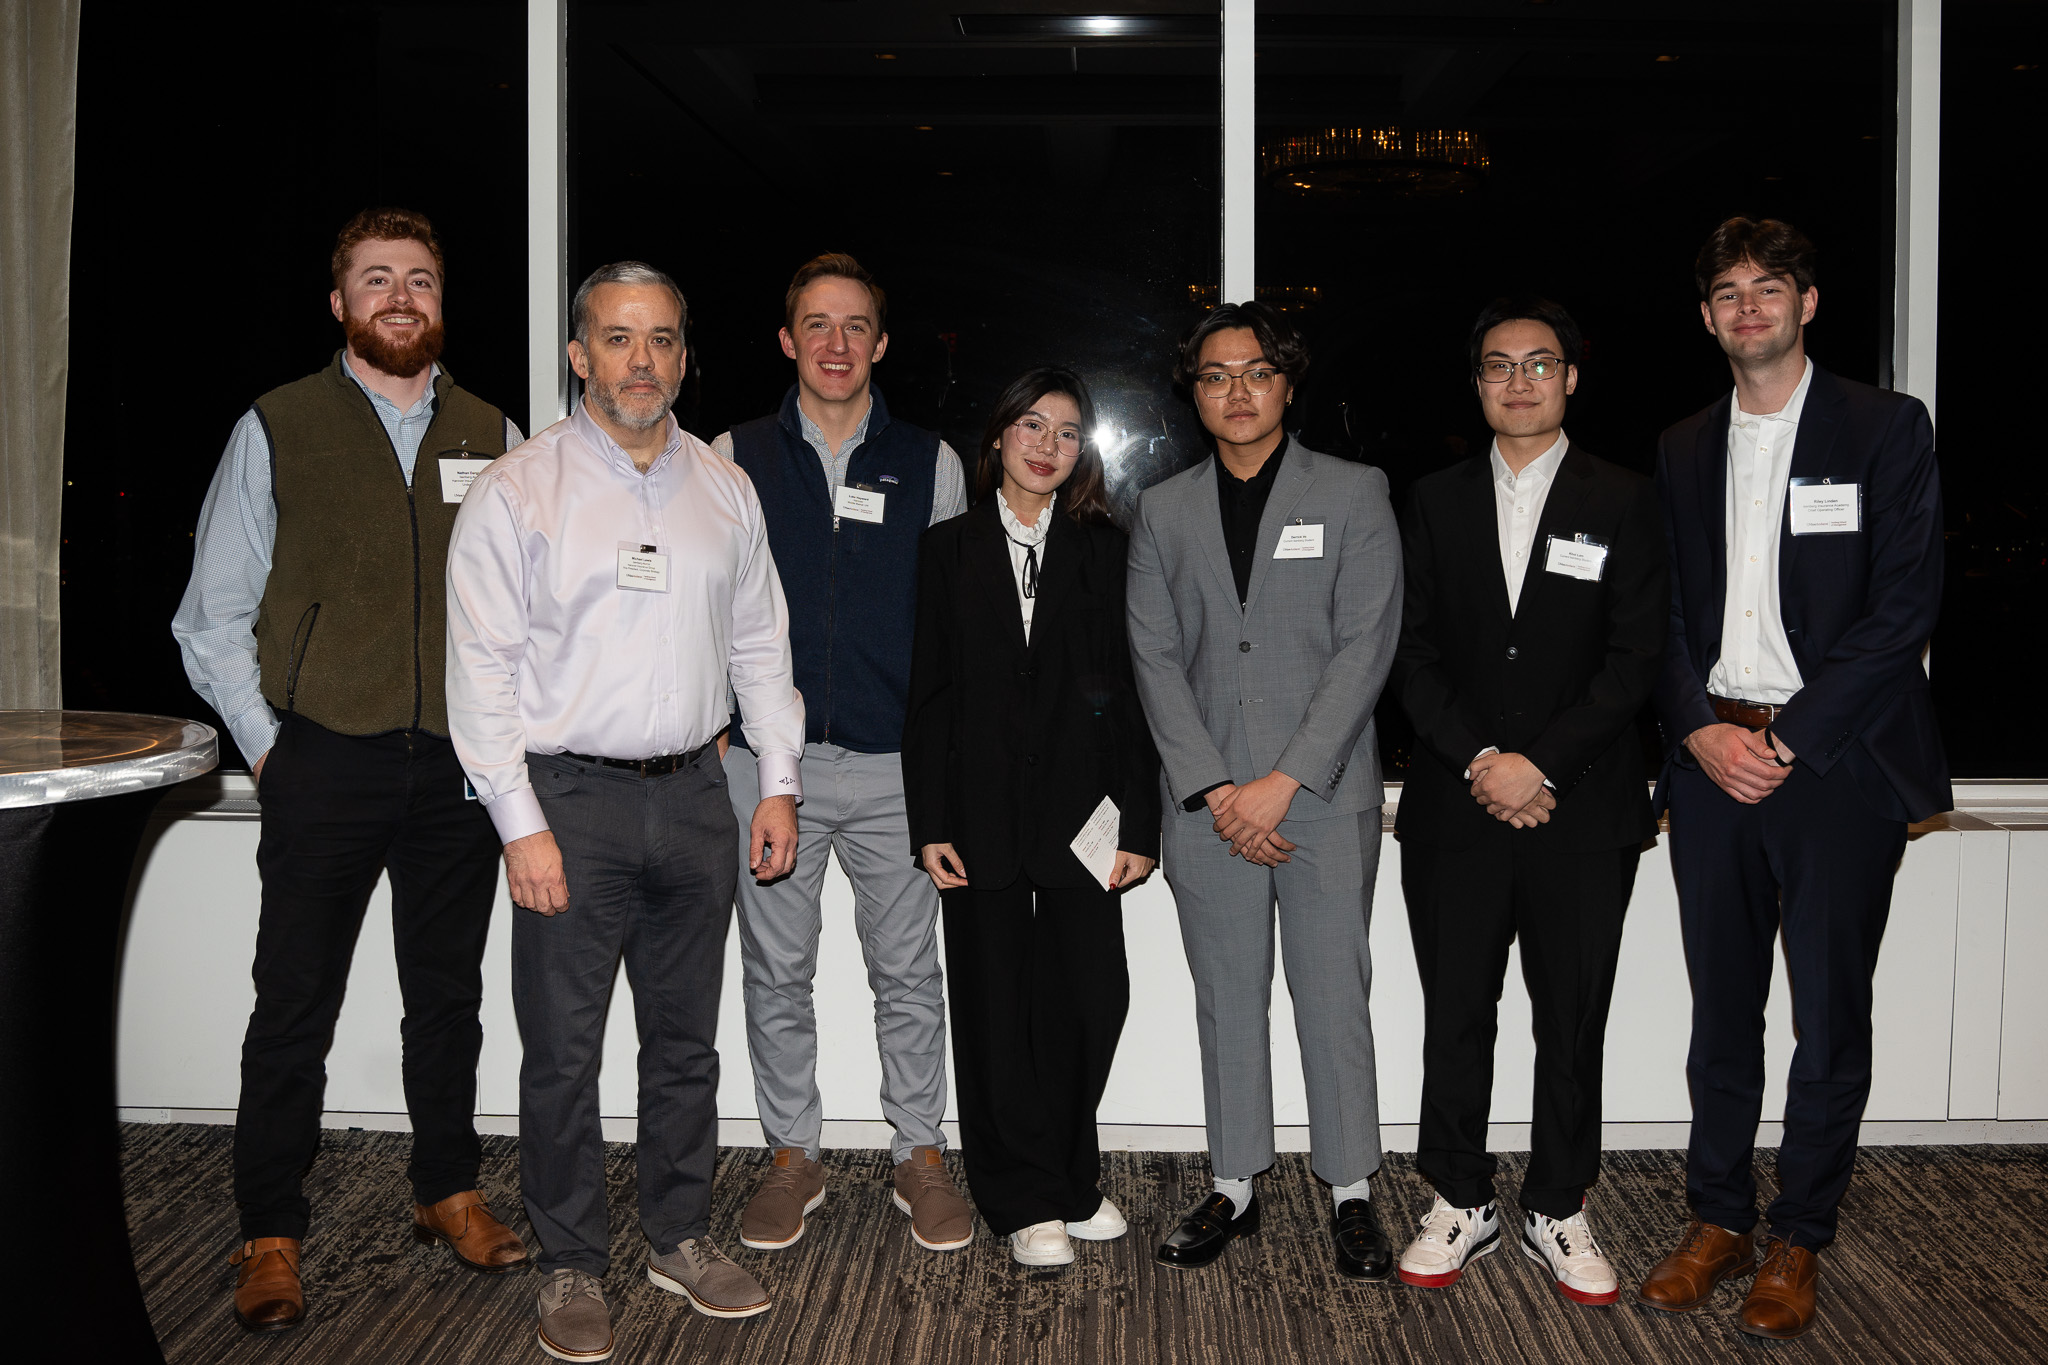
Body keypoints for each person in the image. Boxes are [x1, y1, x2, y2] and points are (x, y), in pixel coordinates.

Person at [172, 207, 529, 1334]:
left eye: (419, 279)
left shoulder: (494, 432)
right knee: (295, 1003)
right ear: (339, 304)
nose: (400, 297)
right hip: (322, 757)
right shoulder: (276, 426)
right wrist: (270, 746)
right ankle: (269, 1231)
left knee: (448, 999)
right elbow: (210, 617)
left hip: (457, 769)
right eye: (377, 279)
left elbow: (526, 610)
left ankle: (446, 1188)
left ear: (441, 302)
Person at [446, 262, 804, 1361]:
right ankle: (568, 1260)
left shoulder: (723, 489)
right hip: (568, 803)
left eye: (660, 340)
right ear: (578, 355)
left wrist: (778, 781)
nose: (640, 361)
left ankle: (678, 1236)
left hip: (697, 796)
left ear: (684, 357)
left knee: (684, 1044)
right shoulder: (520, 489)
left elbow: (760, 643)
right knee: (562, 1053)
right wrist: (519, 824)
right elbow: (480, 670)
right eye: (616, 338)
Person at [1635, 218, 1949, 1340]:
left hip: (1835, 764)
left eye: (1769, 287)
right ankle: (1717, 1219)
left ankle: (1799, 1234)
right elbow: (1662, 613)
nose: (1749, 306)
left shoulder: (1883, 426)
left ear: (1807, 303)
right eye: (1727, 292)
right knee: (1721, 1012)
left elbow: (1903, 605)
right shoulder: (1680, 444)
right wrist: (1697, 730)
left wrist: (1793, 736)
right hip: (1711, 762)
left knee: (1828, 1016)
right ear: (1706, 317)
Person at [1389, 296, 1667, 1306]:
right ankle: (1458, 1198)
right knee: (1457, 1012)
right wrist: (1481, 760)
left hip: (1581, 810)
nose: (1519, 381)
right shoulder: (1431, 500)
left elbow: (1636, 658)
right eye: (1498, 365)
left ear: (1571, 379)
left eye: (1539, 363)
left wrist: (1538, 766)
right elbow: (1408, 652)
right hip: (1455, 805)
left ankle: (1557, 1202)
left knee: (1573, 1018)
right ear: (1475, 385)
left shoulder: (1626, 497)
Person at [1126, 301, 1403, 1280]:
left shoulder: (1354, 491)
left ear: (1286, 383)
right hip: (1208, 808)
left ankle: (1352, 1188)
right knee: (1227, 998)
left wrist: (1282, 782)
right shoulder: (1162, 509)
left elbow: (1366, 645)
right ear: (1194, 393)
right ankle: (1234, 1182)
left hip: (1319, 796)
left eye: (1255, 372)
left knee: (1333, 997)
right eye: (1215, 376)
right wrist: (1215, 788)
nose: (1236, 391)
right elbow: (1154, 657)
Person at [710, 253, 973, 1255]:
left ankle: (920, 1154)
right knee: (776, 973)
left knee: (907, 973)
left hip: (893, 769)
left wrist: (942, 754)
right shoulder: (730, 454)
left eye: (854, 325)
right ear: (787, 340)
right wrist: (716, 715)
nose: (835, 343)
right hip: (765, 770)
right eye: (815, 324)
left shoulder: (931, 462)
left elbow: (952, 623)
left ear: (881, 343)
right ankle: (792, 1156)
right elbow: (702, 600)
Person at [901, 366, 1161, 1267]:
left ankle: (1070, 1175)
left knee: (1091, 1000)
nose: (1048, 446)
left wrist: (1140, 825)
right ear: (999, 436)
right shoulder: (947, 549)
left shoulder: (1107, 549)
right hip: (977, 820)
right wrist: (929, 820)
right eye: (1032, 426)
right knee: (994, 1009)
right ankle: (1019, 1196)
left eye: (1067, 432)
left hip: (1086, 820)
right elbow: (931, 697)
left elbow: (1133, 695)